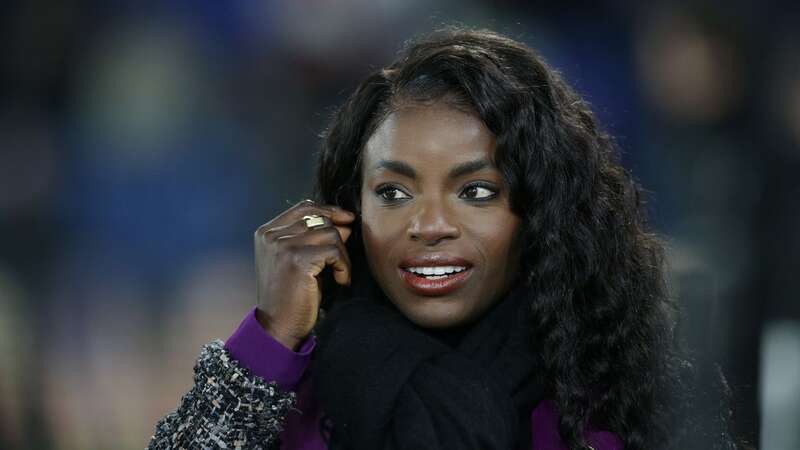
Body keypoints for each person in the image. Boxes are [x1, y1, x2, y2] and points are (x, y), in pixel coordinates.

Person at [147, 26, 739, 450]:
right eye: (394, 193)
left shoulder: (615, 405)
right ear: (348, 212)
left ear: (539, 213)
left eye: (476, 192)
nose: (428, 226)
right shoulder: (292, 392)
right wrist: (271, 339)